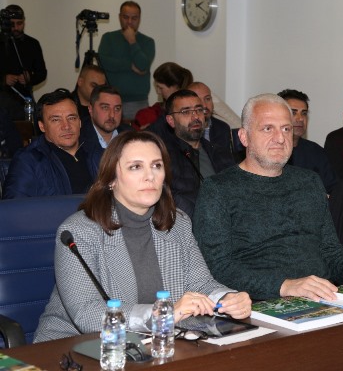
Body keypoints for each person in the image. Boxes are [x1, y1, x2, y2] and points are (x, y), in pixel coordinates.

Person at [34, 130, 251, 342]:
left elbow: (200, 283)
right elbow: (87, 314)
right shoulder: (78, 232)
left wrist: (227, 298)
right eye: (136, 167)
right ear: (111, 179)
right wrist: (163, 315)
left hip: (152, 343)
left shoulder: (177, 223)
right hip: (75, 345)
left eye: (157, 166)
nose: (150, 176)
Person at [193, 94, 343, 301]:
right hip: (258, 303)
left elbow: (330, 250)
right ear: (244, 137)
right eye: (268, 129)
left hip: (323, 297)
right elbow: (217, 267)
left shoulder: (309, 181)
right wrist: (285, 286)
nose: (280, 138)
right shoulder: (217, 190)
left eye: (286, 129)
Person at [3, 89, 102, 199]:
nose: (66, 126)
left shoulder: (97, 152)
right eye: (56, 120)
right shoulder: (28, 160)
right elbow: (15, 207)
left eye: (71, 118)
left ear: (80, 122)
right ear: (42, 126)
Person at [164, 89, 234, 218]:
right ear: (171, 120)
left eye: (199, 110)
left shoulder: (221, 153)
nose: (195, 117)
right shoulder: (163, 158)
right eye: (186, 112)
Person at [98, 1, 155, 119]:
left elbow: (142, 65)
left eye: (134, 18)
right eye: (125, 17)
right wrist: (129, 65)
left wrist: (132, 42)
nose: (129, 22)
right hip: (110, 100)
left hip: (138, 103)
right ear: (119, 17)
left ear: (139, 19)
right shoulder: (108, 38)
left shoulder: (148, 42)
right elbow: (103, 63)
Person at [278, 89, 337, 194]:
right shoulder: (269, 150)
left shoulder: (317, 152)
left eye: (304, 113)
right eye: (293, 112)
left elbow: (334, 190)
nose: (300, 118)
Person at [0, 4, 47, 120]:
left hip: (23, 100)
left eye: (19, 23)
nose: (16, 28)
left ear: (24, 22)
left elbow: (42, 73)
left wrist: (29, 77)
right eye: (12, 24)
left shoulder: (32, 44)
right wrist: (3, 79)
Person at [136, 62, 193, 132]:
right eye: (156, 87)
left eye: (161, 88)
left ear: (176, 87)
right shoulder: (156, 111)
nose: (158, 92)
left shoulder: (189, 113)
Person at [187, 81, 235, 156]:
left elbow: (227, 159)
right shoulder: (184, 129)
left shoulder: (223, 128)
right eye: (198, 100)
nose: (204, 105)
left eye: (207, 99)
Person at [79, 84, 130, 151]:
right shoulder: (79, 139)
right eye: (105, 107)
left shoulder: (131, 136)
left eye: (117, 108)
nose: (112, 115)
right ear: (90, 109)